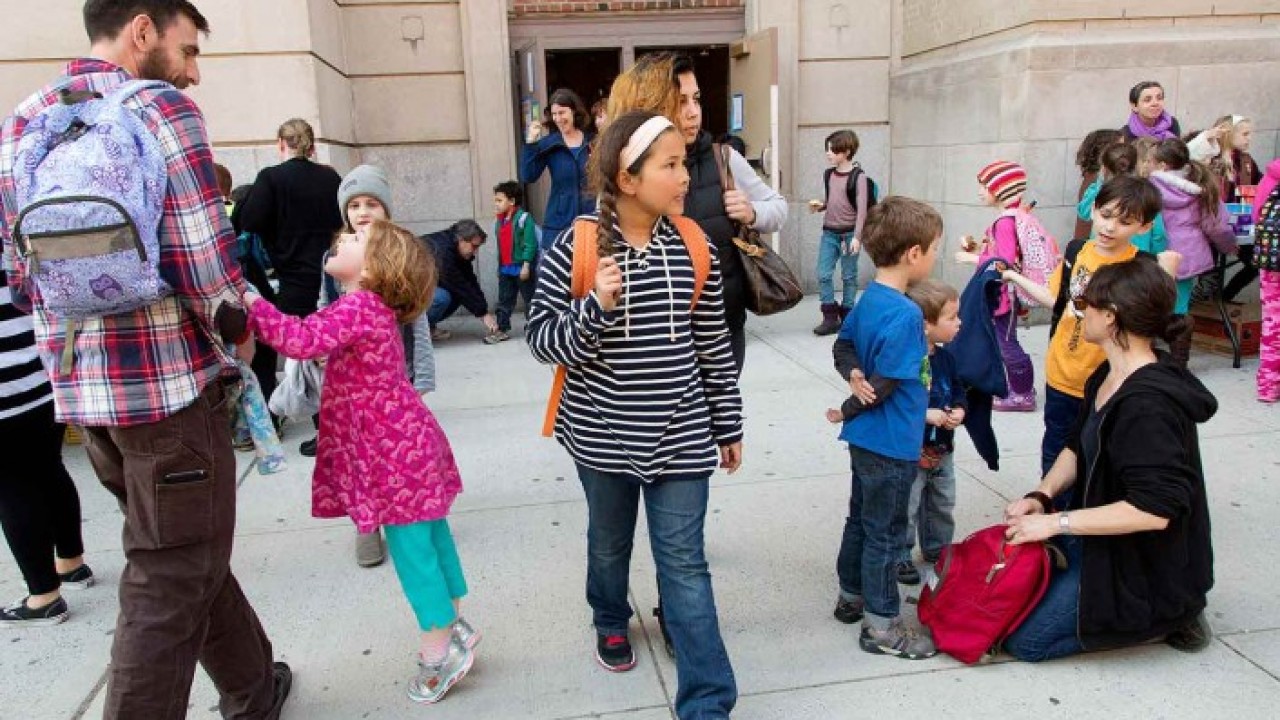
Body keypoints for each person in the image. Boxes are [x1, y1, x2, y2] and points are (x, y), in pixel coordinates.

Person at [0, 3, 291, 717]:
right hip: (168, 396)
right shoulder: (160, 110)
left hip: (85, 398)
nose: (193, 72)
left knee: (185, 551)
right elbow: (205, 264)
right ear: (141, 30)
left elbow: (20, 274)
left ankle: (254, 687)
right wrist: (241, 337)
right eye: (187, 50)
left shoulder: (25, 120)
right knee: (169, 574)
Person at [527, 110, 743, 719]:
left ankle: (707, 704)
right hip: (601, 437)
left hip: (681, 435)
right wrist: (596, 306)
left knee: (685, 565)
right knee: (609, 544)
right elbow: (542, 342)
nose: (684, 176)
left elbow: (711, 344)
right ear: (627, 178)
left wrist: (727, 422)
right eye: (669, 165)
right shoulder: (576, 247)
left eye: (683, 163)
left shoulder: (694, 245)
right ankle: (609, 615)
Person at [246, 219, 475, 704]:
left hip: (393, 456)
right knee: (431, 539)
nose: (341, 238)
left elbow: (298, 339)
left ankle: (439, 652)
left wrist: (250, 301)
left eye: (355, 239)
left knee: (414, 554)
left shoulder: (359, 305)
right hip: (409, 445)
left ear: (373, 268)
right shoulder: (371, 308)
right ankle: (454, 625)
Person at [1002, 257, 1215, 662]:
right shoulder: (1106, 375)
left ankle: (1170, 617)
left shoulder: (1148, 407)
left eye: (1087, 305)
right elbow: (1076, 446)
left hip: (1142, 561)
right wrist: (1042, 495)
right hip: (1099, 535)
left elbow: (1154, 511)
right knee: (1007, 603)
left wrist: (1056, 523)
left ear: (1111, 317)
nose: (1080, 312)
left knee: (1027, 642)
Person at [606, 52, 788, 373]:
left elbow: (778, 208)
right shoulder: (628, 174)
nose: (693, 112)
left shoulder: (723, 158)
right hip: (657, 336)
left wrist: (751, 212)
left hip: (723, 329)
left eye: (697, 99)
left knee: (722, 403)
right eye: (680, 102)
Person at [830, 196, 943, 660]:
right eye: (933, 249)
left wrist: (852, 374)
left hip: (865, 441)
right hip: (893, 442)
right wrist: (851, 402)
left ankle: (851, 596)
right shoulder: (907, 314)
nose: (934, 256)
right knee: (887, 534)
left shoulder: (869, 298)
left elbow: (842, 348)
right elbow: (890, 382)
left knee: (860, 519)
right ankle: (882, 624)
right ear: (913, 253)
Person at [1002, 176, 1166, 481]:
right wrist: (1014, 277)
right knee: (1056, 448)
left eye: (1124, 222)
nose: (1110, 227)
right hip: (1062, 374)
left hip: (1109, 381)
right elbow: (1057, 300)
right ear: (1093, 209)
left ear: (1144, 227)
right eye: (1106, 215)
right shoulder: (1076, 251)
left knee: (1100, 454)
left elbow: (1147, 327)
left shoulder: (1141, 268)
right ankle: (1052, 503)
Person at [324, 163, 437, 568]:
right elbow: (325, 307)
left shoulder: (399, 252)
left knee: (401, 457)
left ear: (386, 209)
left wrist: (422, 377)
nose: (362, 212)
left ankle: (412, 513)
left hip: (394, 380)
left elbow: (418, 321)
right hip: (352, 386)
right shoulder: (338, 256)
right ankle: (366, 525)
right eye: (354, 205)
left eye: (371, 203)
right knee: (358, 458)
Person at [826, 279, 964, 587]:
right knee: (892, 522)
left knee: (937, 504)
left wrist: (959, 409)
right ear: (925, 324)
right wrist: (846, 409)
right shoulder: (905, 343)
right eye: (952, 317)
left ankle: (935, 550)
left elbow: (957, 390)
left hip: (937, 448)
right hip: (904, 448)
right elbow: (882, 390)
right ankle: (883, 599)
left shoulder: (945, 358)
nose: (959, 323)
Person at [0, 271, 93, 627]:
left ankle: (43, 596)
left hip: (6, 387)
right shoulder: (12, 234)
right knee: (49, 466)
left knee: (12, 485)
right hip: (44, 367)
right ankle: (71, 563)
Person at [954, 161, 1037, 411]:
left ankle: (1022, 393)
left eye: (985, 186)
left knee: (1006, 343)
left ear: (1001, 190)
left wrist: (971, 258)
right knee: (1005, 340)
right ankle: (1020, 388)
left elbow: (1004, 262)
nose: (980, 192)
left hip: (1003, 294)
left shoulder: (1004, 223)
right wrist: (978, 250)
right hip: (1005, 292)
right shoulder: (1014, 216)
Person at [1149, 138, 1236, 366]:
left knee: (1148, 305)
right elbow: (1217, 226)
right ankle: (1179, 363)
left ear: (1162, 164)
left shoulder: (1149, 187)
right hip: (1188, 254)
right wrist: (1229, 247)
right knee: (1180, 307)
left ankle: (1147, 359)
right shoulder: (1201, 184)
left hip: (1155, 253)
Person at [808, 129, 868, 336]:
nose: (828, 153)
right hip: (829, 233)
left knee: (849, 276)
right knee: (823, 274)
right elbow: (834, 200)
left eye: (833, 150)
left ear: (847, 151)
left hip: (850, 234)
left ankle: (848, 315)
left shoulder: (859, 177)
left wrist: (858, 237)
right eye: (827, 149)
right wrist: (822, 206)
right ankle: (830, 316)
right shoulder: (829, 174)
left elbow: (862, 210)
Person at [521, 88, 596, 252]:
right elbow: (528, 175)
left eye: (562, 113)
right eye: (554, 114)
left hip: (590, 222)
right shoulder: (550, 144)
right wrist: (530, 143)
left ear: (573, 111)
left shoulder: (593, 142)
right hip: (558, 225)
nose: (558, 119)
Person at [422, 220, 499, 341]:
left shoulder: (455, 249)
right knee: (442, 298)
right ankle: (414, 331)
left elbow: (469, 281)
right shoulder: (442, 252)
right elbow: (460, 285)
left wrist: (483, 310)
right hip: (407, 294)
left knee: (456, 296)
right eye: (474, 246)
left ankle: (428, 327)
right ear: (461, 240)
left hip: (422, 288)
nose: (475, 251)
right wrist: (483, 314)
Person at [488, 180, 538, 344]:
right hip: (506, 269)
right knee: (504, 300)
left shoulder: (524, 218)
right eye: (495, 200)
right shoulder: (500, 220)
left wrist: (526, 265)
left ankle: (535, 328)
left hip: (521, 267)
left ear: (512, 201)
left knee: (530, 299)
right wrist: (500, 267)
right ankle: (502, 329)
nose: (496, 204)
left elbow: (530, 244)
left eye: (499, 200)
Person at [1254, 157, 1280, 403]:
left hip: (1272, 261)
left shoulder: (1270, 176)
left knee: (1273, 323)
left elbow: (1257, 217)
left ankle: (1268, 386)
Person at [1072, 129, 1124, 240]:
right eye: (1120, 148)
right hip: (1090, 241)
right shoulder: (1095, 181)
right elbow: (1086, 216)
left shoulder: (1097, 178)